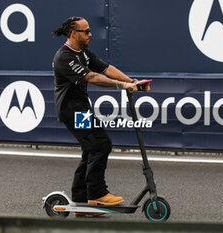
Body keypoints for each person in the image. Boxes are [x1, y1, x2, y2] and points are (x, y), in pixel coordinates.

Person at [52, 17, 150, 216]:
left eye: (89, 30)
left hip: (81, 109)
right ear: (73, 33)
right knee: (101, 144)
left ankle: (81, 202)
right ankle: (97, 193)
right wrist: (122, 86)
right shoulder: (64, 57)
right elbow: (93, 77)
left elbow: (105, 68)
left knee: (90, 149)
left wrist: (132, 82)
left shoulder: (84, 53)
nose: (90, 34)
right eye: (86, 31)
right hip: (72, 111)